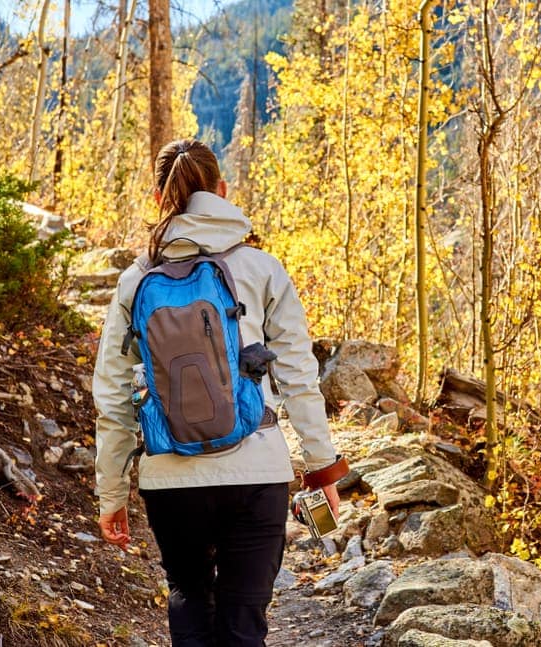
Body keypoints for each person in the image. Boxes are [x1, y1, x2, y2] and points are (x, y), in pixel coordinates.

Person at [92, 138, 347, 646]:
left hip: (169, 477)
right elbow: (299, 376)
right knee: (243, 618)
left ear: (161, 199)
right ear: (222, 191)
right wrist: (323, 469)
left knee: (189, 598)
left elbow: (113, 396)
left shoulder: (136, 278)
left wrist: (112, 493)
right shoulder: (263, 268)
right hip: (256, 472)